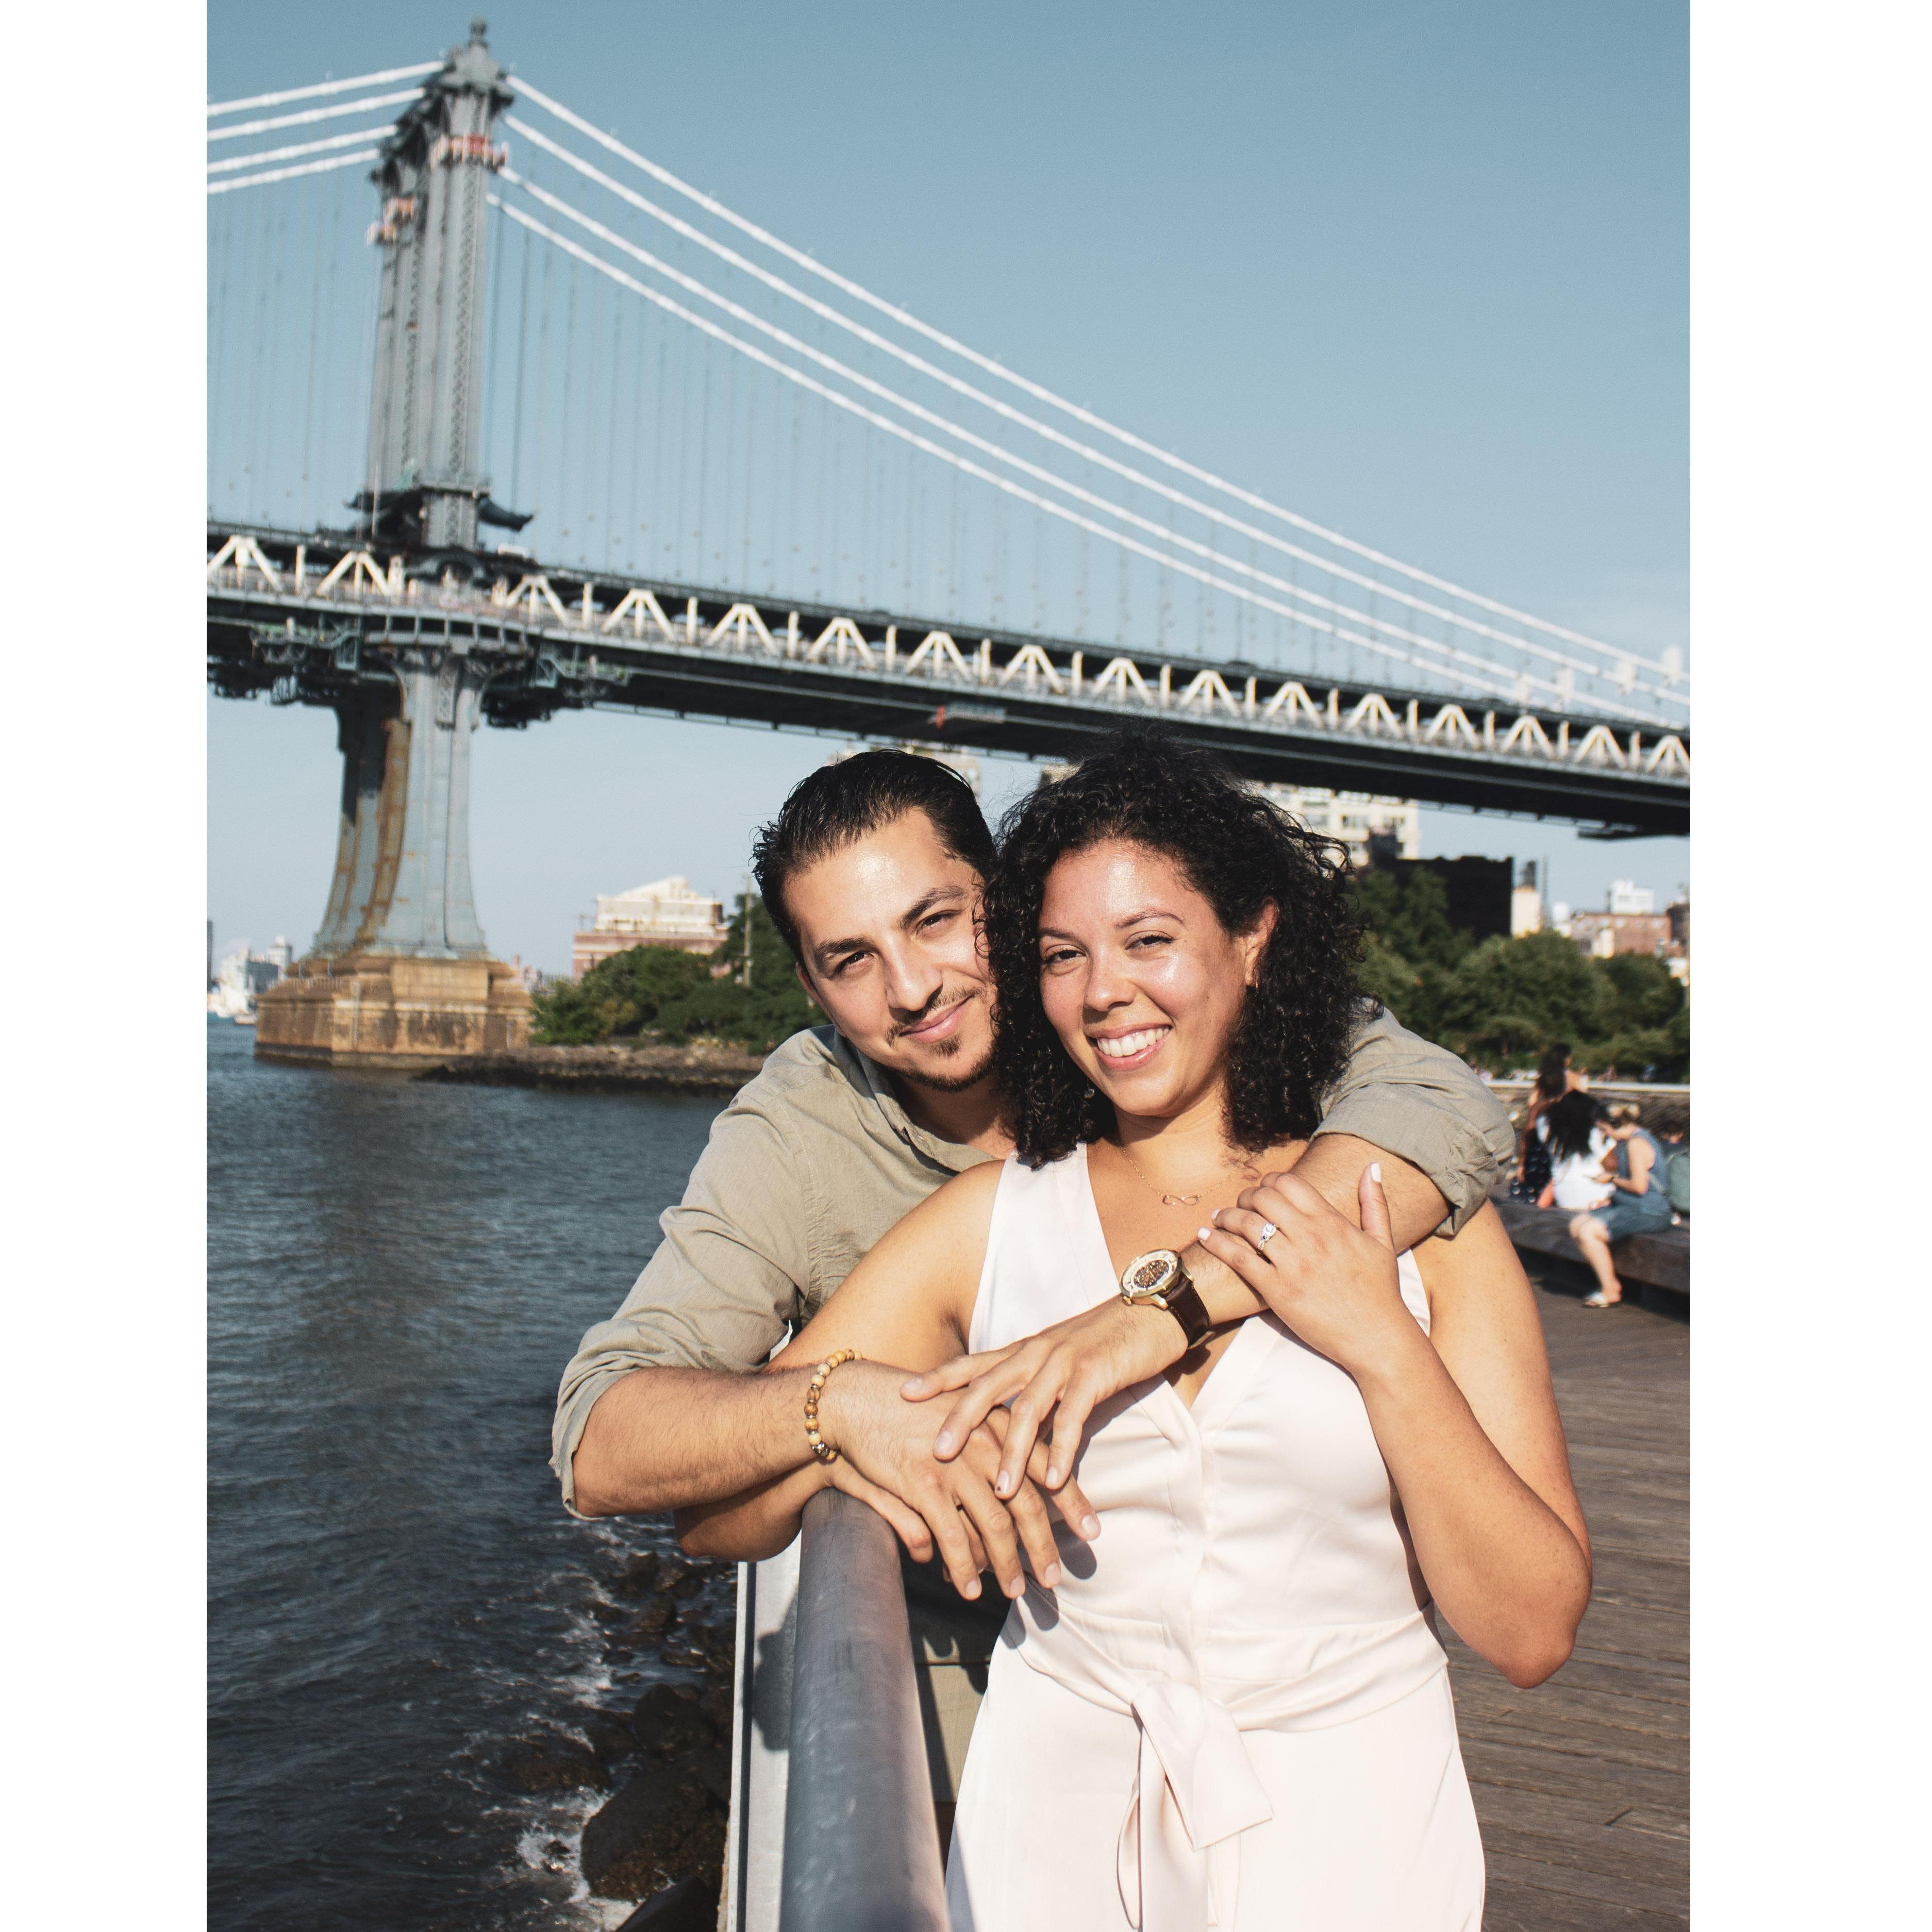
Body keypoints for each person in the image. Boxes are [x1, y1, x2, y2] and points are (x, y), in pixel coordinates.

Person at [676, 733, 1590, 1931]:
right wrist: (860, 1424)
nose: (1104, 989)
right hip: (1050, 1823)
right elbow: (716, 1510)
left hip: (1355, 1830)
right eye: (1063, 955)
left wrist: (1378, 1340)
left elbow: (1528, 1630)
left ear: (1251, 938)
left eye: (1148, 939)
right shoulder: (984, 1223)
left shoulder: (1403, 1211)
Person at [1569, 1102, 1674, 1308]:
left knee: (1589, 1231)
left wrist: (1611, 1179)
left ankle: (1610, 1289)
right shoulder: (1626, 1142)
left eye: (1604, 1129)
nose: (1604, 1134)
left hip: (1650, 1211)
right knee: (1576, 1225)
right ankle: (1608, 1282)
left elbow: (1639, 1187)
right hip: (1631, 1206)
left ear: (1614, 1124)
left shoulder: (1637, 1144)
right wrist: (1611, 1198)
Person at [1514, 1042, 1580, 1196]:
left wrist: (1521, 1161)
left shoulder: (1544, 1078)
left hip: (1541, 1134)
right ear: (1566, 1058)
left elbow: (1532, 1104)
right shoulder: (1574, 1078)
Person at [1535, 1089, 1613, 1212]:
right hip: (1597, 1192)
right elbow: (1611, 1164)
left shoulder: (1547, 1130)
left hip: (1563, 1193)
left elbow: (1542, 1116)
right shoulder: (1595, 1132)